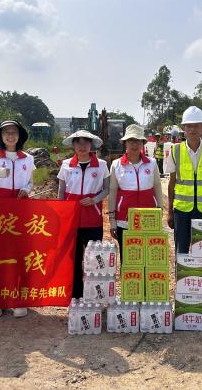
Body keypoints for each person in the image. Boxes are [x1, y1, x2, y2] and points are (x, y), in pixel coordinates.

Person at [0, 120, 35, 318]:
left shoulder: (27, 159)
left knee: (20, 254)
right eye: (6, 132)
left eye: (14, 132)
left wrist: (26, 189)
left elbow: (30, 183)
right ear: (0, 136)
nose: (11, 136)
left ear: (20, 136)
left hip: (20, 212)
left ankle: (19, 299)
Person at [57, 130, 110, 299]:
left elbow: (107, 189)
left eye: (85, 142)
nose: (82, 146)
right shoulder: (66, 164)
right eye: (78, 142)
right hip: (71, 219)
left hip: (93, 218)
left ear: (91, 145)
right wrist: (61, 212)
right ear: (73, 145)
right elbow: (61, 191)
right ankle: (76, 295)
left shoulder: (101, 165)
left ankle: (94, 294)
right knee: (74, 258)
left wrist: (95, 200)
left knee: (94, 258)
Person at [166, 106, 202, 254]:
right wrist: (170, 212)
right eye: (189, 126)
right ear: (184, 129)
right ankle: (180, 271)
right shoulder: (176, 150)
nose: (193, 129)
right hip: (182, 211)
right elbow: (171, 184)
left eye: (196, 125)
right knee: (181, 251)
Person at [108, 124, 163, 261]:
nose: (135, 144)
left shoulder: (152, 163)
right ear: (125, 143)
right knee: (128, 260)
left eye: (138, 141)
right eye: (131, 140)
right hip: (124, 220)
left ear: (143, 143)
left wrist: (160, 210)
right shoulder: (116, 165)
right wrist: (112, 221)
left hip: (148, 219)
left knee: (147, 259)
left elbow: (157, 186)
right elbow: (112, 192)